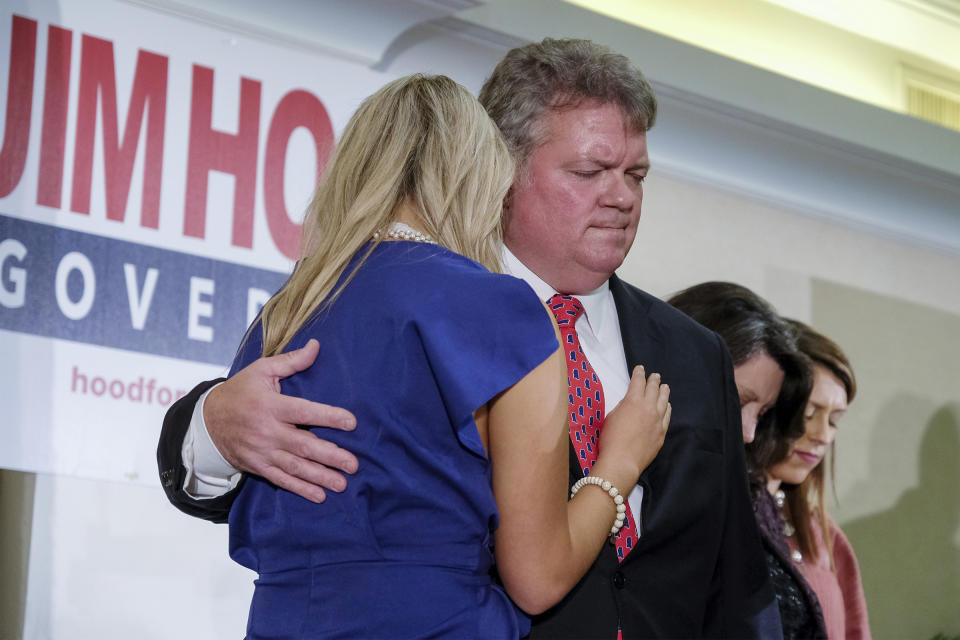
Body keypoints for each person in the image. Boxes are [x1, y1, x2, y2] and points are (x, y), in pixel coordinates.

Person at [159, 38, 780, 638]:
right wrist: (212, 424)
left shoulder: (697, 353)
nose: (620, 196)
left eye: (636, 174)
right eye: (590, 171)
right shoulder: (472, 307)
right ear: (499, 167)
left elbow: (738, 587)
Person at [219, 73, 671, 638]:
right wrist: (619, 464)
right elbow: (537, 575)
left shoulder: (286, 310)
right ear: (484, 174)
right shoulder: (498, 306)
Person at [669, 282, 828, 638]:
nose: (749, 433)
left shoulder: (750, 497)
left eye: (764, 412)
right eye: (738, 401)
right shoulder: (626, 485)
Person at [763, 320, 872, 639]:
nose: (823, 435)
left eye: (835, 420)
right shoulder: (728, 520)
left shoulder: (825, 536)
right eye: (809, 414)